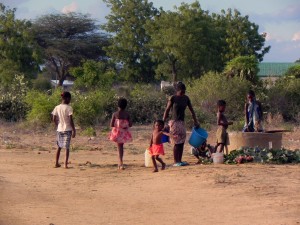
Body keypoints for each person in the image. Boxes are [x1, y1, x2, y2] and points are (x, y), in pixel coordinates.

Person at [163, 81, 200, 167]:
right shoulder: (173, 98)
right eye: (181, 91)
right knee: (176, 141)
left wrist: (195, 121)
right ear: (177, 90)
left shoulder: (186, 98)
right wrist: (163, 122)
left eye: (184, 91)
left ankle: (180, 160)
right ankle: (176, 161)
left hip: (182, 122)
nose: (183, 92)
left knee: (182, 141)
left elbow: (192, 111)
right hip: (174, 122)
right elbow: (167, 110)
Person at [52, 91, 76, 169]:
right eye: (70, 99)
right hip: (67, 129)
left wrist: (57, 125)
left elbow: (53, 119)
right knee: (67, 147)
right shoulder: (69, 108)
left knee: (59, 146)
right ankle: (65, 165)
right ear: (67, 98)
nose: (70, 100)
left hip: (59, 129)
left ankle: (56, 163)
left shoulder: (57, 107)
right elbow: (70, 120)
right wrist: (74, 130)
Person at [109, 98, 132, 170]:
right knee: (121, 147)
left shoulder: (115, 114)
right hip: (124, 132)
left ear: (118, 105)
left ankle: (120, 163)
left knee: (119, 147)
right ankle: (120, 162)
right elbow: (130, 124)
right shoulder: (127, 114)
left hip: (117, 132)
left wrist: (118, 124)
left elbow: (111, 125)